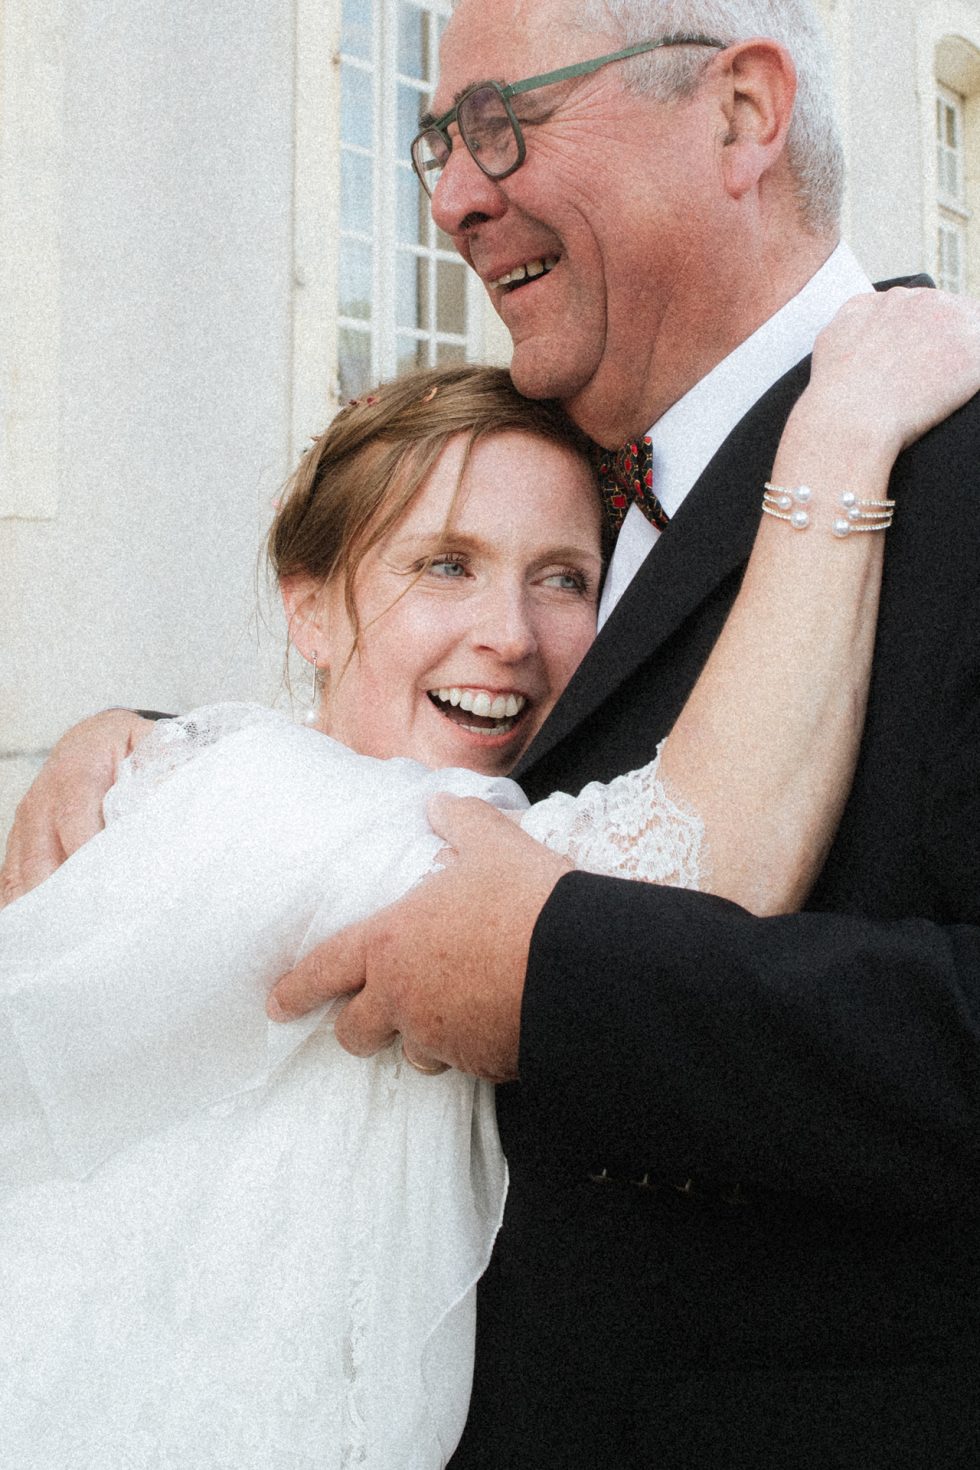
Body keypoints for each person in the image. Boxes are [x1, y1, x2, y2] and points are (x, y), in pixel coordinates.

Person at [2, 308, 978, 1470]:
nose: (508, 634)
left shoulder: (255, 787)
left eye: (562, 578)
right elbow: (698, 867)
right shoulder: (247, 800)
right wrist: (839, 434)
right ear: (307, 606)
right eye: (444, 565)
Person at [255, 4, 980, 1466]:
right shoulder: (561, 472)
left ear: (740, 114)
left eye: (502, 122)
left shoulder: (957, 466)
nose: (453, 198)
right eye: (439, 142)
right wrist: (165, 762)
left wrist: (560, 977)